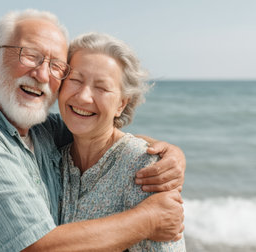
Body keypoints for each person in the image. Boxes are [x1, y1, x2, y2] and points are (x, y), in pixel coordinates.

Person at [0, 9, 185, 251]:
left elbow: (100, 135)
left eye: (55, 65)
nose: (41, 74)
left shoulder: (42, 130)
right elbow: (32, 247)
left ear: (121, 103)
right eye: (29, 54)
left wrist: (166, 154)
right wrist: (149, 220)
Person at [58, 32, 186, 251]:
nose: (83, 97)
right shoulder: (50, 155)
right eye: (75, 80)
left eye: (102, 87)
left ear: (121, 104)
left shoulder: (144, 168)